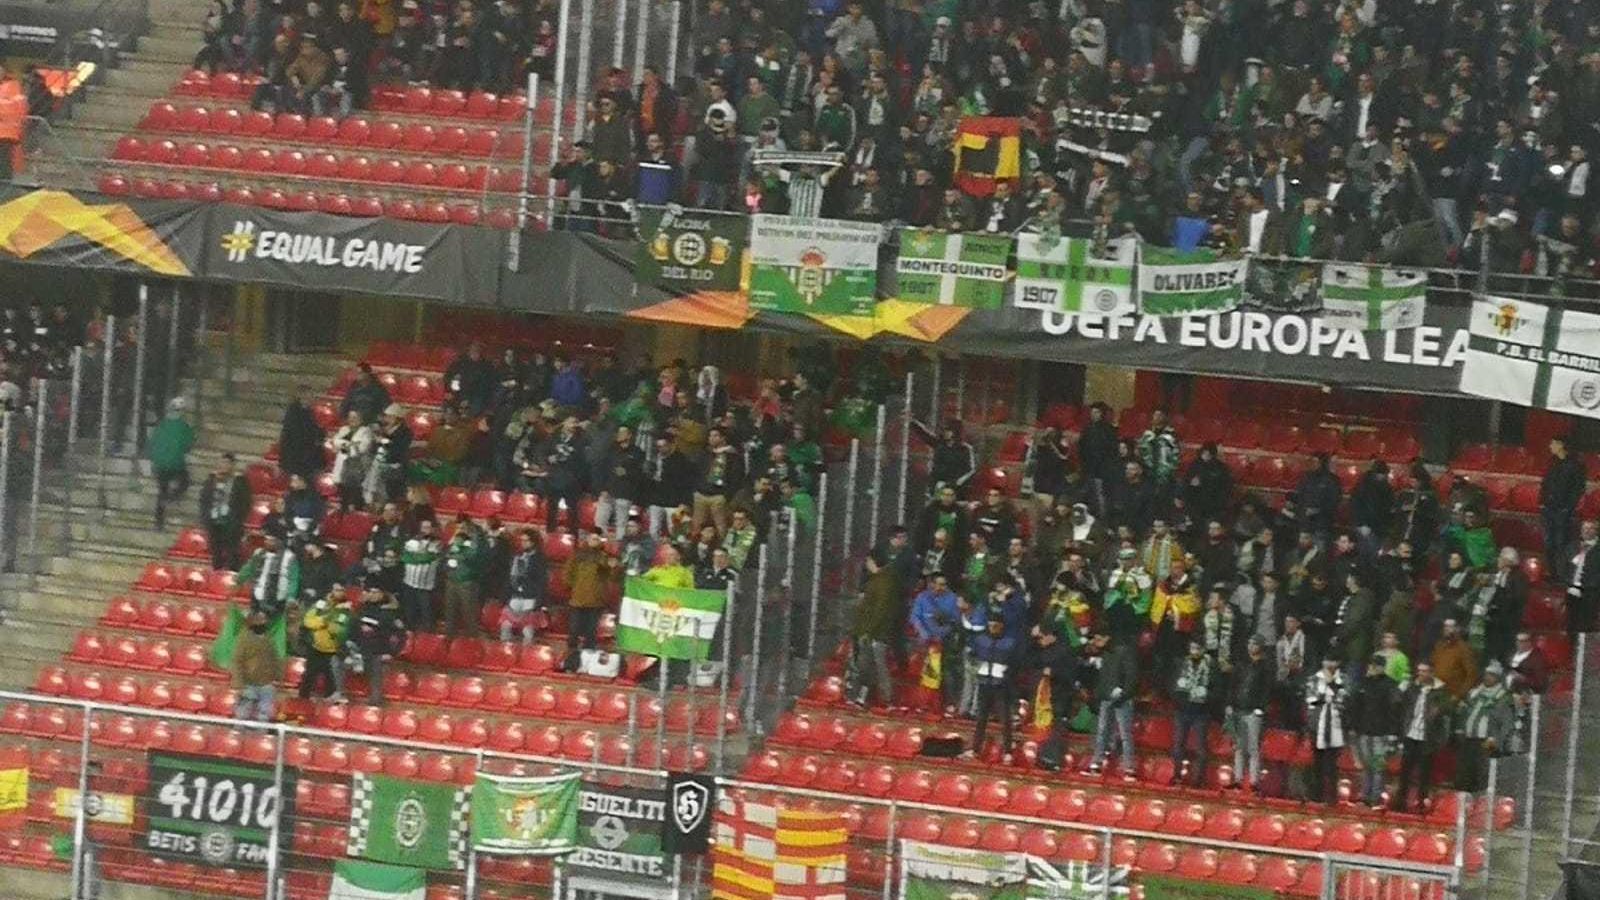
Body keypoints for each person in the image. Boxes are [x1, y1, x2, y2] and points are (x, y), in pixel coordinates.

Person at [1393, 662, 1452, 813]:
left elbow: (1446, 711)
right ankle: (1400, 803)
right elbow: (1396, 701)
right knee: (1405, 771)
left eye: (1424, 671)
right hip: (1411, 734)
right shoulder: (1413, 688)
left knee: (1424, 774)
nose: (1420, 674)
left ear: (1431, 673)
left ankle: (1421, 804)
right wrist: (1402, 687)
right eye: (1419, 671)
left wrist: (1437, 711)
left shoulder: (1440, 691)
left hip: (1427, 737)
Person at [848, 545, 900, 709]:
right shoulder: (879, 580)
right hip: (870, 632)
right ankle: (862, 697)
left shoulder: (884, 582)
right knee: (866, 666)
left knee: (878, 665)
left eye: (869, 561)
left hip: (877, 634)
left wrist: (868, 632)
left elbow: (879, 610)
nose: (867, 564)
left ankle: (888, 701)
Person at [1085, 631, 1139, 782]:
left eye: (1098, 638)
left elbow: (1132, 676)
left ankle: (1129, 768)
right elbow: (1102, 678)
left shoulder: (1124, 652)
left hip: (1122, 699)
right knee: (1102, 731)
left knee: (1124, 734)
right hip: (1106, 698)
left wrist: (1124, 694)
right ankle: (1096, 763)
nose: (1095, 642)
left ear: (1107, 637)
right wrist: (1099, 695)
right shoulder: (1105, 654)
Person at [563, 529, 617, 671]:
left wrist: (613, 567)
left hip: (596, 602)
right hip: (578, 599)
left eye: (597, 539)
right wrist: (573, 587)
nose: (594, 541)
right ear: (587, 539)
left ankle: (586, 665)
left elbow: (613, 577)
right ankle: (570, 663)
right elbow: (568, 574)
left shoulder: (604, 557)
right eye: (592, 538)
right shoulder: (578, 555)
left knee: (590, 634)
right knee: (573, 633)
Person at [1350, 654, 1399, 809]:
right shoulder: (1363, 684)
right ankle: (1364, 796)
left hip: (1381, 733)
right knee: (1366, 766)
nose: (1371, 668)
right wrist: (1355, 727)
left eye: (1375, 666)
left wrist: (1392, 733)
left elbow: (1393, 710)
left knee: (1377, 767)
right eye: (1370, 665)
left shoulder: (1390, 685)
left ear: (1382, 667)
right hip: (1365, 731)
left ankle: (1375, 798)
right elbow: (1357, 706)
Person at [1454, 662, 1513, 792]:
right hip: (1469, 739)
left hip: (1486, 741)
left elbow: (1506, 723)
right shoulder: (1474, 693)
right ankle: (1462, 800)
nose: (1487, 677)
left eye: (1492, 675)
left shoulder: (1503, 697)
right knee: (1464, 771)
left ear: (1497, 678)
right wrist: (1459, 729)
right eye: (1487, 674)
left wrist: (1496, 740)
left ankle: (1480, 801)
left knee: (1482, 772)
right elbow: (1463, 712)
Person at [967, 616, 1018, 762]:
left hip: (1001, 686)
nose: (993, 628)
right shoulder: (981, 640)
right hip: (984, 683)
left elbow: (1015, 663)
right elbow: (972, 656)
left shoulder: (1009, 643)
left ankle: (1008, 751)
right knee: (981, 719)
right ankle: (975, 749)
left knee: (1004, 719)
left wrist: (1007, 676)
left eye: (996, 625)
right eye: (991, 625)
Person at [1230, 635, 1273, 792]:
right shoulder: (1242, 664)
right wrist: (1231, 704)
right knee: (1239, 747)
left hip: (1254, 711)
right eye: (1249, 642)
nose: (1250, 646)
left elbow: (1266, 689)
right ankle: (1237, 779)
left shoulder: (1265, 666)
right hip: (1240, 709)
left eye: (1254, 643)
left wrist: (1260, 707)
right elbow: (1234, 685)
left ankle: (1254, 781)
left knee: (1253, 747)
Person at [1304, 653, 1348, 805]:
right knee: (1317, 762)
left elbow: (1342, 702)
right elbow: (1311, 700)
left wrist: (1329, 689)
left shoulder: (1344, 680)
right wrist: (1327, 695)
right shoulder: (1313, 679)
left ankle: (1331, 798)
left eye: (1333, 661)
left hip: (1335, 728)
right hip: (1317, 726)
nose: (1330, 664)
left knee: (1332, 764)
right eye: (1327, 661)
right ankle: (1316, 796)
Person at [350, 585, 405, 705]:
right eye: (371, 591)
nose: (373, 594)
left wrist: (392, 653)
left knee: (377, 670)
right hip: (359, 650)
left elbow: (400, 635)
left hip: (379, 652)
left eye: (376, 592)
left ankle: (374, 703)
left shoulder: (390, 613)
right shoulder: (361, 610)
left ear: (383, 594)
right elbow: (352, 628)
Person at [1170, 640, 1215, 786]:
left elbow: (1218, 689)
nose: (1194, 651)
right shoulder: (1182, 663)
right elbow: (1172, 683)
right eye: (1192, 648)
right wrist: (1177, 698)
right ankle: (1176, 776)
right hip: (1182, 710)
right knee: (1178, 746)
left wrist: (1206, 696)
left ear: (1202, 650)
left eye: (1197, 648)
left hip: (1201, 713)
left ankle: (1198, 781)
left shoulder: (1211, 666)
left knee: (1200, 748)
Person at [1541, 437, 1585, 581]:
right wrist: (1542, 502)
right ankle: (1552, 573)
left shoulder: (1575, 465)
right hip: (1549, 509)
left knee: (1561, 543)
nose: (1550, 446)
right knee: (1549, 544)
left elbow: (1578, 489)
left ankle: (1562, 575)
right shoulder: (1552, 463)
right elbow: (1545, 484)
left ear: (1561, 445)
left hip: (1562, 511)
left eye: (1553, 443)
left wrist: (1567, 508)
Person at [147, 398, 195, 529]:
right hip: (175, 464)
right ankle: (172, 497)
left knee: (161, 491)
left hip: (159, 465)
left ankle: (158, 522)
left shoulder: (161, 425)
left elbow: (152, 443)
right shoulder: (184, 426)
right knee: (185, 481)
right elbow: (188, 445)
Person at [198, 453, 251, 571]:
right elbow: (204, 500)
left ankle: (231, 576)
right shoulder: (211, 480)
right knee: (216, 553)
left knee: (233, 553)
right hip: (213, 523)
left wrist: (238, 519)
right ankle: (217, 576)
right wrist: (205, 518)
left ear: (232, 465)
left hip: (231, 523)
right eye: (222, 463)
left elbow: (246, 502)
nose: (223, 466)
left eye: (227, 463)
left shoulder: (239, 481)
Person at [299, 589, 351, 701]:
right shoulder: (320, 605)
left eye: (340, 590)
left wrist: (323, 622)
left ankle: (329, 703)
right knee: (309, 675)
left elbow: (337, 630)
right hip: (314, 647)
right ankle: (303, 699)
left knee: (330, 678)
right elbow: (307, 621)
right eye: (335, 590)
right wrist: (323, 622)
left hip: (333, 650)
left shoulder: (344, 611)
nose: (337, 592)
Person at [231, 610, 282, 722]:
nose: (262, 623)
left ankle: (261, 736)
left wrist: (278, 678)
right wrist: (239, 684)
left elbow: (275, 659)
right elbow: (237, 662)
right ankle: (238, 735)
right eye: (259, 621)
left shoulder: (269, 640)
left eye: (263, 620)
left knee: (265, 714)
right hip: (248, 683)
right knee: (243, 713)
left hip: (266, 683)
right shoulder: (244, 640)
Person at [442, 515, 488, 638]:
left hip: (467, 581)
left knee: (469, 614)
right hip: (452, 578)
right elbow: (448, 554)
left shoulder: (476, 540)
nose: (459, 529)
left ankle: (472, 642)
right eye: (458, 527)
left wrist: (458, 553)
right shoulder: (457, 537)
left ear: (468, 526)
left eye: (462, 526)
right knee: (450, 612)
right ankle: (449, 641)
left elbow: (472, 558)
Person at [501, 528, 548, 644]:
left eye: (526, 541)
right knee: (505, 626)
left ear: (533, 542)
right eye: (522, 540)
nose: (523, 543)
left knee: (528, 630)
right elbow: (510, 578)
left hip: (530, 598)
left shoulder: (539, 559)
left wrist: (539, 602)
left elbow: (541, 582)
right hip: (514, 596)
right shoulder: (516, 557)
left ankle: (527, 656)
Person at [237, 532, 301, 618]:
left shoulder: (289, 557)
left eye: (271, 540)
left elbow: (293, 579)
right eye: (266, 539)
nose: (267, 542)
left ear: (279, 542)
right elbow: (249, 567)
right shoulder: (259, 553)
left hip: (277, 598)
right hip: (258, 595)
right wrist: (239, 579)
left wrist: (290, 597)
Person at [278, 388, 327, 479]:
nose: (312, 399)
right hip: (297, 459)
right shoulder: (294, 414)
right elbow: (298, 435)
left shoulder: (307, 412)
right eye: (310, 396)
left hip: (305, 459)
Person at [1430, 619, 1478, 701]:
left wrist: (1458, 695)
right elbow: (1432, 664)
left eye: (1450, 626)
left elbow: (1471, 675)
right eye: (1445, 626)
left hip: (1449, 694)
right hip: (1433, 689)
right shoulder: (1440, 645)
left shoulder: (1464, 649)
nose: (1446, 628)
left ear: (1457, 629)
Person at [1567, 519, 1599, 639]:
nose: (1586, 531)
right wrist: (1568, 582)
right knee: (1571, 624)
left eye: (1590, 528)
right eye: (1584, 528)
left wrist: (1587, 585)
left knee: (1585, 627)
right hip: (1572, 590)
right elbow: (1564, 565)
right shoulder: (1572, 546)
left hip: (1590, 592)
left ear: (1596, 531)